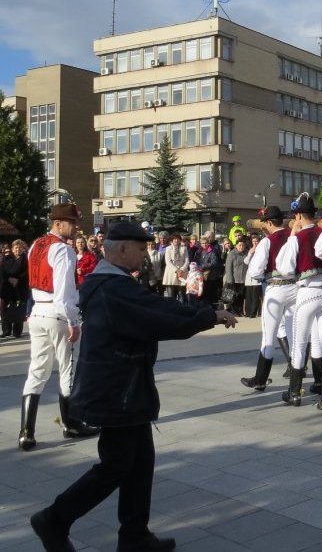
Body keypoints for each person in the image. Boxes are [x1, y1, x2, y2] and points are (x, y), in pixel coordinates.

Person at [28, 221, 236, 552]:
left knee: (140, 463)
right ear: (122, 249)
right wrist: (209, 315)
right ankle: (54, 520)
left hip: (126, 388)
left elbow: (156, 308)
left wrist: (205, 312)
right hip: (116, 391)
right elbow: (161, 315)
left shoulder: (115, 283)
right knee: (116, 465)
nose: (145, 256)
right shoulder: (114, 288)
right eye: (140, 250)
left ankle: (135, 536)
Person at [20, 203, 101, 452]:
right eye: (71, 223)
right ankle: (71, 424)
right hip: (57, 313)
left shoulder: (36, 245)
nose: (76, 228)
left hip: (37, 312)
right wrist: (73, 322)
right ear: (58, 224)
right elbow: (64, 292)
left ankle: (26, 432)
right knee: (68, 369)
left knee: (37, 370)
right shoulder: (63, 250)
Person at [276, 194, 322, 410]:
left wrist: (292, 235)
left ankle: (294, 393)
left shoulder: (298, 238)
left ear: (299, 216)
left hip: (307, 292)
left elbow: (284, 268)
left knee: (300, 343)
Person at [240, 206, 296, 391]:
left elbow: (254, 271)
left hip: (276, 288)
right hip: (296, 288)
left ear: (269, 222)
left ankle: (260, 379)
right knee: (295, 336)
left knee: (268, 337)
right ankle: (296, 383)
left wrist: (266, 272)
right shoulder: (294, 235)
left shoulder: (267, 241)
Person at [1, 239, 29, 338]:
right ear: (12, 249)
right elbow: (2, 271)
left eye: (20, 247)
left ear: (23, 249)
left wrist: (18, 279)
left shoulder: (27, 260)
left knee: (19, 309)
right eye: (16, 247)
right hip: (7, 287)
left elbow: (27, 272)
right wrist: (9, 278)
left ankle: (17, 331)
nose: (18, 249)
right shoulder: (6, 258)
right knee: (5, 310)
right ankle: (6, 330)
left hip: (20, 287)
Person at [197, 232, 224, 306]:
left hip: (210, 276)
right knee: (201, 294)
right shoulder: (198, 252)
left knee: (210, 295)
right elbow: (195, 261)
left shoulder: (212, 251)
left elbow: (214, 263)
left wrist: (202, 266)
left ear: (208, 243)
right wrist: (197, 266)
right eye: (202, 243)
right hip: (200, 276)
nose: (204, 245)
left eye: (206, 243)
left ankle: (211, 308)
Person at [224, 238, 248, 316]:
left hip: (243, 279)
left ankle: (240, 311)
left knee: (241, 296)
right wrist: (230, 280)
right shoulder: (232, 253)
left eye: (243, 245)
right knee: (234, 296)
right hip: (234, 279)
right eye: (240, 245)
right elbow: (228, 268)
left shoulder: (247, 253)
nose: (241, 247)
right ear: (236, 245)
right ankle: (234, 311)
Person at [162, 233, 188, 302]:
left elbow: (187, 261)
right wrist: (176, 270)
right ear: (172, 240)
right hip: (171, 273)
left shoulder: (184, 248)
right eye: (174, 239)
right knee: (171, 296)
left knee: (181, 295)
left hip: (182, 273)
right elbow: (168, 261)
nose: (176, 240)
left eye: (178, 239)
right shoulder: (168, 248)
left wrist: (182, 270)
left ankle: (181, 308)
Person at [243, 234, 262, 318]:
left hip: (257, 276)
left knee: (255, 296)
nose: (255, 243)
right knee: (249, 295)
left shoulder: (261, 250)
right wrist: (250, 253)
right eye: (253, 241)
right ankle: (248, 312)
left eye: (256, 241)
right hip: (249, 276)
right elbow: (246, 262)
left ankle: (253, 313)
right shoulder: (250, 250)